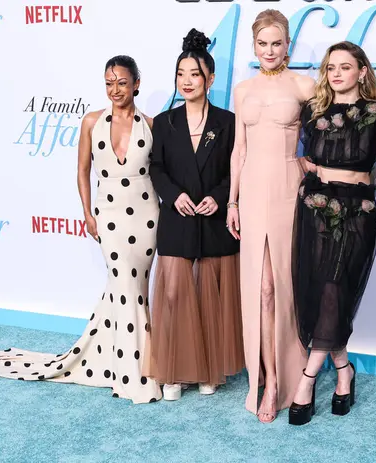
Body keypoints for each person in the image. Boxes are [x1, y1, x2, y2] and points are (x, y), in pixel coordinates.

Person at [0, 56, 163, 404]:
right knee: (124, 285)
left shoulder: (151, 125)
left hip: (145, 217)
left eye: (122, 82)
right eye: (109, 83)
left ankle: (122, 363)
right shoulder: (91, 122)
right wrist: (87, 213)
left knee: (132, 290)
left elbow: (161, 175)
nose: (115, 89)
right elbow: (82, 171)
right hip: (108, 215)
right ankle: (132, 375)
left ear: (136, 84)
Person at [288, 41, 376, 425]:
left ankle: (307, 379)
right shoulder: (313, 111)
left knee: (336, 289)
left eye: (345, 67)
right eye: (331, 67)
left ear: (362, 71)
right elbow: (299, 155)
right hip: (315, 207)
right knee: (319, 291)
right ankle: (344, 371)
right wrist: (309, 166)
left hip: (357, 211)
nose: (336, 73)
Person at [142, 29, 244, 400]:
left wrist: (220, 198)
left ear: (210, 79)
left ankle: (208, 370)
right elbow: (156, 168)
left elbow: (236, 169)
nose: (187, 81)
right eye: (181, 74)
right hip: (177, 219)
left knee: (210, 297)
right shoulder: (165, 122)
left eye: (195, 74)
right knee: (173, 296)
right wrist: (173, 196)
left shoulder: (229, 122)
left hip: (214, 221)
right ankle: (174, 372)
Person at [226, 9, 315, 423]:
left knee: (283, 285)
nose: (270, 51)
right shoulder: (242, 90)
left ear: (288, 45)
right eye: (263, 44)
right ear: (254, 46)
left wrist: (305, 166)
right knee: (259, 289)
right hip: (252, 191)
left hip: (285, 191)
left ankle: (284, 375)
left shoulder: (304, 85)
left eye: (277, 43)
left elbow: (326, 136)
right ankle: (266, 379)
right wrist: (232, 201)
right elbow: (238, 150)